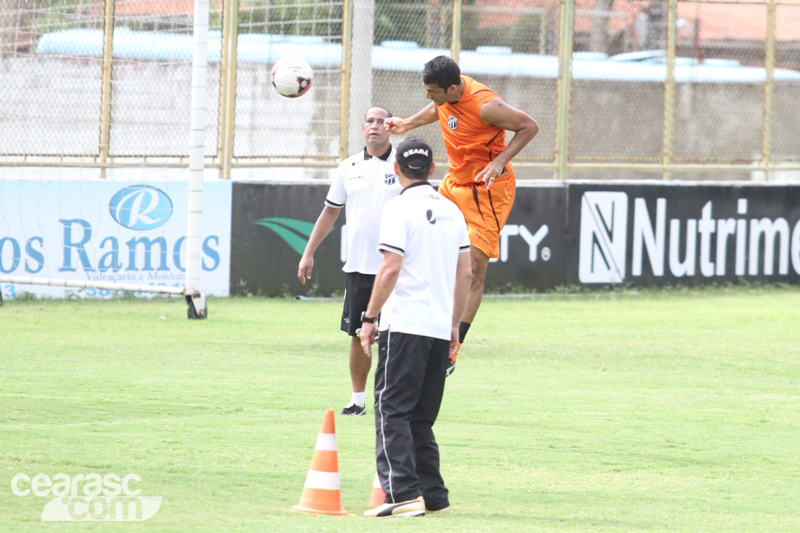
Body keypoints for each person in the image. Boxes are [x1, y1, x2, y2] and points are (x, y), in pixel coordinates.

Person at [387, 55, 539, 375]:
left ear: (453, 88)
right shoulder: (446, 97)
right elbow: (438, 108)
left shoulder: (486, 106)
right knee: (426, 250)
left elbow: (529, 126)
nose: (428, 95)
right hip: (453, 185)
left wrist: (499, 161)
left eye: (433, 91)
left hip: (487, 191)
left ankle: (451, 348)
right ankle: (418, 326)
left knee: (472, 269)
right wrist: (406, 124)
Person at [359, 137, 472, 517]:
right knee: (421, 417)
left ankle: (403, 495)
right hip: (439, 327)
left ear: (396, 170)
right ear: (433, 169)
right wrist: (454, 325)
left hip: (405, 323)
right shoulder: (453, 210)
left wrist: (369, 317)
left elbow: (390, 268)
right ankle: (433, 497)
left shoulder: (398, 208)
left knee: (391, 409)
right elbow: (466, 274)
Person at [298, 106, 402, 416]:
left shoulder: (403, 165)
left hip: (397, 269)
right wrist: (308, 252)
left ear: (390, 127)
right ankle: (357, 400)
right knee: (359, 335)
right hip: (359, 268)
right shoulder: (348, 167)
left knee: (397, 338)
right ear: (363, 127)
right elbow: (330, 211)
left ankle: (395, 400)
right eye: (370, 121)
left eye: (381, 121)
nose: (375, 126)